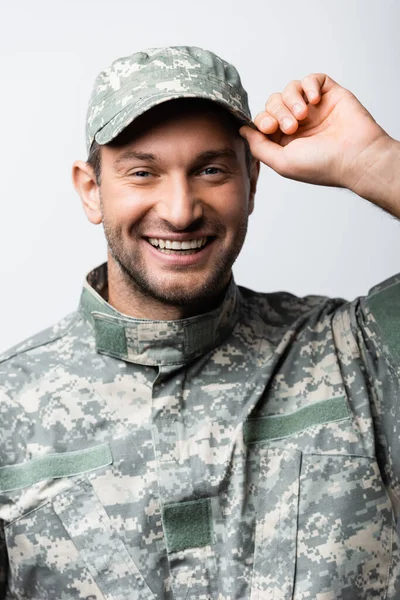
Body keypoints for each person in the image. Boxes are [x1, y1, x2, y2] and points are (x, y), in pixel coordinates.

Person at [0, 45, 399, 599]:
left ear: (252, 182)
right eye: (143, 172)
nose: (181, 209)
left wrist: (376, 163)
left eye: (210, 170)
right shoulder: (8, 408)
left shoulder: (356, 352)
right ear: (92, 191)